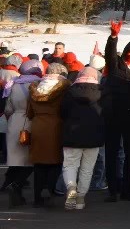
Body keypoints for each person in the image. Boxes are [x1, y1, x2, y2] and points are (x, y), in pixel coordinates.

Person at [102, 23, 130, 202]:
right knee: (112, 152)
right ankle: (112, 189)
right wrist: (113, 37)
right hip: (113, 114)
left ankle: (127, 188)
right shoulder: (116, 66)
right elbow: (110, 53)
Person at [60, 65, 105, 211]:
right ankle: (80, 198)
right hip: (94, 135)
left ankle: (71, 186)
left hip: (72, 134)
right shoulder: (101, 92)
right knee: (87, 168)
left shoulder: (69, 91)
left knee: (70, 164)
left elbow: (63, 111)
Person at [28, 62, 71, 208]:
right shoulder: (64, 88)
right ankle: (51, 192)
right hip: (56, 126)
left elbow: (29, 112)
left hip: (38, 126)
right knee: (55, 161)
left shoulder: (35, 87)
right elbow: (66, 109)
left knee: (39, 164)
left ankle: (37, 197)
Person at [3, 59, 42, 207]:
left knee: (16, 159)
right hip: (32, 122)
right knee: (32, 159)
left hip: (15, 121)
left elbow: (7, 109)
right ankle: (17, 185)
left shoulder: (14, 85)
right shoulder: (39, 84)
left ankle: (16, 191)